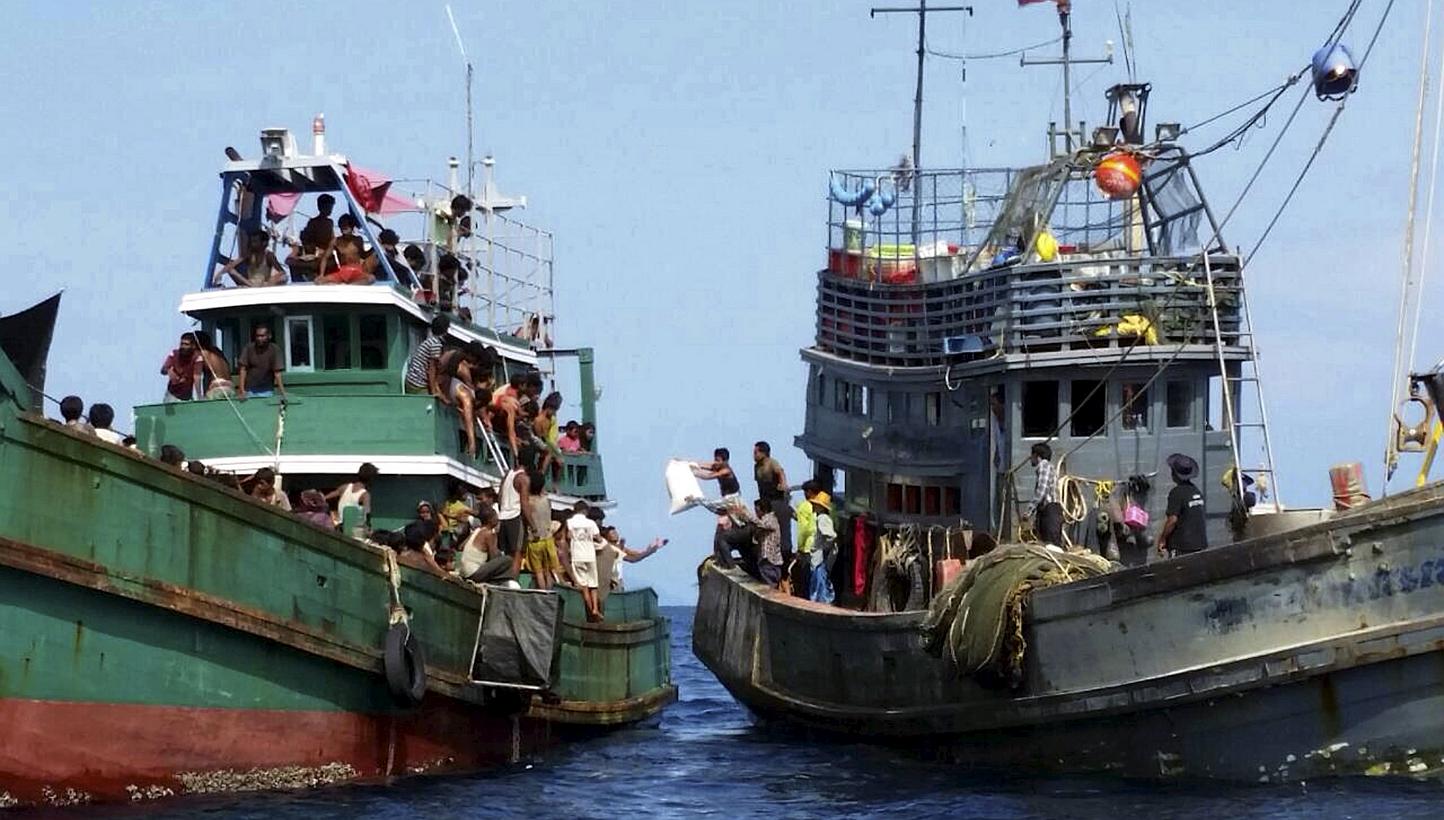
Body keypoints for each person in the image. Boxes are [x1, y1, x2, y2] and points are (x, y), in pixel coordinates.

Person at [1158, 453, 1208, 557]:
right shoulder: (1196, 491)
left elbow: (1172, 520)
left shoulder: (1176, 493)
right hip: (1201, 545)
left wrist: (1162, 539)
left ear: (1174, 474)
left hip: (1182, 547)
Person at [754, 441, 792, 559]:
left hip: (777, 500)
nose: (754, 455)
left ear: (763, 453)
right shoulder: (757, 467)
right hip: (766, 502)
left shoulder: (771, 463)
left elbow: (780, 472)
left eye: (756, 452)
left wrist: (783, 484)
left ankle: (786, 554)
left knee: (782, 529)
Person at [285, 194, 337, 281]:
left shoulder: (329, 222)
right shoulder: (314, 222)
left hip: (326, 253)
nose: (330, 209)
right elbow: (306, 238)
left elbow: (332, 239)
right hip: (315, 253)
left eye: (330, 206)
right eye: (328, 206)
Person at [521, 472, 560, 590]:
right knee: (548, 570)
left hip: (535, 540)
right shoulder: (546, 500)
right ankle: (549, 590)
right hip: (548, 539)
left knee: (538, 572)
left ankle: (542, 592)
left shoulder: (529, 502)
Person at [456, 507, 515, 583]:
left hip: (464, 572)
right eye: (496, 517)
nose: (498, 519)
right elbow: (493, 557)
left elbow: (461, 547)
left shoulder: (476, 530)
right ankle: (500, 582)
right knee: (508, 559)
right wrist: (496, 542)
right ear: (490, 520)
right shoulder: (489, 534)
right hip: (474, 573)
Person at [567, 501, 604, 621]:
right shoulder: (591, 523)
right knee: (593, 585)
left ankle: (590, 610)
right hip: (590, 555)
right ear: (585, 511)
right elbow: (598, 538)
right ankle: (595, 609)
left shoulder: (570, 522)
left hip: (577, 556)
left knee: (584, 586)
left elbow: (568, 536)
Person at [598, 527, 665, 591]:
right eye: (613, 533)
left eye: (616, 532)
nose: (616, 534)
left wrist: (651, 548)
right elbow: (632, 559)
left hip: (618, 580)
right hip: (610, 580)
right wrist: (651, 550)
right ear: (607, 537)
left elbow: (637, 554)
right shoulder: (610, 549)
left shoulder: (620, 548)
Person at [214, 230, 287, 287]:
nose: (252, 244)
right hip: (249, 283)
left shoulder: (269, 255)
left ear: (264, 243)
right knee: (231, 270)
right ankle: (251, 286)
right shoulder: (249, 254)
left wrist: (271, 280)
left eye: (255, 242)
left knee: (283, 277)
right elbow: (232, 264)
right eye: (252, 242)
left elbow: (282, 272)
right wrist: (220, 273)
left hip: (263, 285)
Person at [316, 214, 376, 285]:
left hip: (356, 272)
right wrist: (321, 274)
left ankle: (350, 286)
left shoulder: (358, 240)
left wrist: (374, 248)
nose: (344, 228)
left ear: (351, 227)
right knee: (318, 281)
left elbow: (363, 255)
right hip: (343, 272)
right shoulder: (336, 241)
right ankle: (342, 286)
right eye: (342, 226)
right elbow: (325, 257)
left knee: (371, 278)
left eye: (346, 226)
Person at [404, 315, 451, 399]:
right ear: (445, 330)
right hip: (417, 384)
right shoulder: (436, 345)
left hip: (411, 380)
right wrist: (433, 392)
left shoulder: (429, 341)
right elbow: (432, 369)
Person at [1025, 443, 1063, 546]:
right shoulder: (1049, 467)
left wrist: (1028, 511)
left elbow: (1041, 491)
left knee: (1050, 546)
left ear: (1036, 456)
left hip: (1050, 511)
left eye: (1031, 455)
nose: (1030, 459)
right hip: (1048, 511)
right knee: (1048, 544)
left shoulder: (1044, 466)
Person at [328, 463, 379, 538]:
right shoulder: (365, 495)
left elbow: (325, 498)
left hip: (338, 527)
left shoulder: (345, 487)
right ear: (371, 479)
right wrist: (369, 529)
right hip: (352, 530)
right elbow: (367, 514)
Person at [496, 463, 529, 577]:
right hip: (515, 517)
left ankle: (505, 578)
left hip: (503, 516)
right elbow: (524, 504)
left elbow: (500, 497)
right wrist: (533, 525)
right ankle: (512, 580)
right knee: (517, 554)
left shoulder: (507, 475)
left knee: (507, 553)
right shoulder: (523, 478)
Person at [237, 324, 286, 401]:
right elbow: (243, 369)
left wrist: (282, 392)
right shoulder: (249, 348)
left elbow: (277, 373)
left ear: (269, 336)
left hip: (266, 390)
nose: (259, 338)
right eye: (257, 336)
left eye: (262, 336)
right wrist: (241, 390)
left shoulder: (275, 349)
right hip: (249, 390)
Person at [808, 492, 837, 604]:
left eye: (816, 504)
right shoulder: (822, 518)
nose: (813, 506)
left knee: (819, 582)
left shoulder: (822, 518)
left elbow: (830, 536)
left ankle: (822, 603)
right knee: (819, 580)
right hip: (819, 555)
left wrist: (825, 548)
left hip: (820, 556)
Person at [188, 330, 234, 399]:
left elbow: (197, 376)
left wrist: (199, 396)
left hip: (216, 387)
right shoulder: (217, 351)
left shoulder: (200, 354)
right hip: (229, 386)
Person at [161, 333, 205, 401]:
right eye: (181, 344)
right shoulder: (174, 353)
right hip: (172, 394)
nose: (183, 346)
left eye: (186, 344)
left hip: (187, 396)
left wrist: (199, 396)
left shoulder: (197, 357)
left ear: (193, 346)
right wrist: (169, 371)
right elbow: (163, 370)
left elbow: (197, 377)